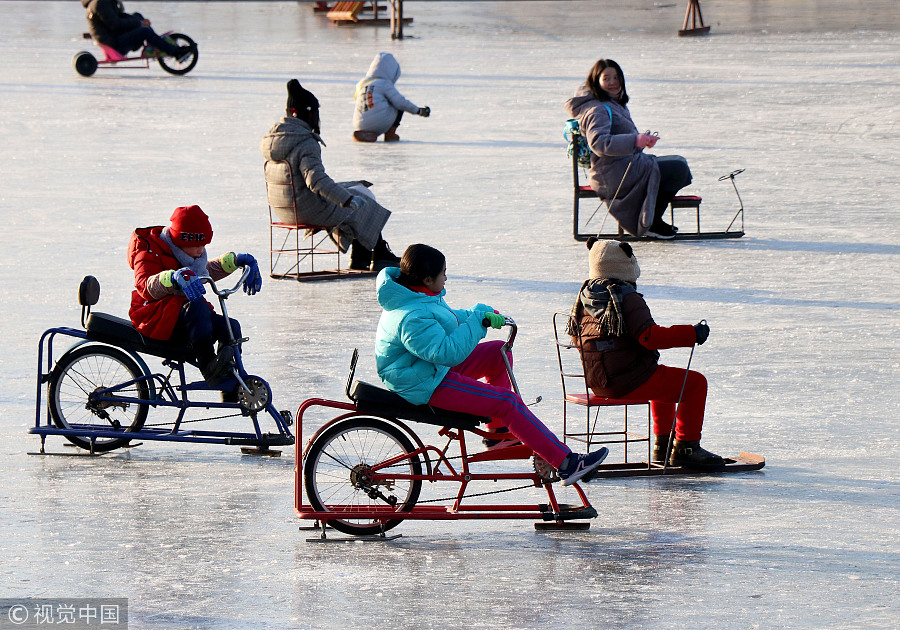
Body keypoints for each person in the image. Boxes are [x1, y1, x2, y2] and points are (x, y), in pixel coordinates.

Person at [374, 243, 609, 486]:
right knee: (507, 403)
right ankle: (567, 463)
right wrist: (477, 323)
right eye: (443, 273)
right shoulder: (412, 316)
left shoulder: (418, 295)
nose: (446, 277)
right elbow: (447, 353)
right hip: (421, 383)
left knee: (498, 353)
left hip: (425, 368)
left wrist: (480, 313)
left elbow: (449, 320)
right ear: (427, 278)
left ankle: (497, 434)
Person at [568, 238, 725, 470]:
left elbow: (576, 338)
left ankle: (663, 445)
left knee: (661, 378)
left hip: (599, 380)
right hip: (627, 379)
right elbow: (649, 337)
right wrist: (692, 334)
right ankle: (685, 448)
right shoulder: (625, 297)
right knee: (695, 383)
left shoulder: (585, 298)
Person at [260, 79, 401, 271]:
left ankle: (363, 256)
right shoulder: (304, 141)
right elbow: (315, 180)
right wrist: (347, 199)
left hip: (284, 209)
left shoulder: (275, 140)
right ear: (309, 113)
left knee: (359, 189)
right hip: (308, 209)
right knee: (362, 200)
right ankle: (376, 255)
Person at [127, 205, 263, 389]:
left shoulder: (187, 253)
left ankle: (231, 383)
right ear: (181, 240)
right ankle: (210, 369)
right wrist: (172, 278)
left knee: (230, 326)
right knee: (198, 307)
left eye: (204, 245)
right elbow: (145, 285)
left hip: (182, 316)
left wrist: (236, 260)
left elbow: (204, 272)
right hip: (153, 316)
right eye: (198, 245)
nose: (201, 251)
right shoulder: (148, 250)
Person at [564, 58, 692, 240]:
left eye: (616, 77)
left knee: (679, 162)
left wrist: (642, 140)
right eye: (606, 78)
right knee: (678, 169)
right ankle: (650, 222)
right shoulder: (597, 109)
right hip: (613, 172)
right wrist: (635, 140)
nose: (613, 83)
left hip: (624, 165)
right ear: (596, 81)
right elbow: (600, 143)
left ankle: (653, 218)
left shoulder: (613, 103)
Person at [352, 52, 431, 143]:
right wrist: (419, 111)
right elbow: (401, 103)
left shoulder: (361, 84)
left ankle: (365, 131)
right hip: (379, 122)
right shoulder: (384, 83)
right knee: (397, 105)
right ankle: (390, 133)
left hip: (359, 123)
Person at [81, 0, 193, 59]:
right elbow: (115, 24)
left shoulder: (101, 2)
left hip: (113, 37)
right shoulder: (101, 3)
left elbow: (119, 17)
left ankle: (154, 45)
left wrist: (137, 20)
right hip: (114, 44)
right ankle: (175, 52)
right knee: (144, 31)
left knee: (137, 16)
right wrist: (138, 23)